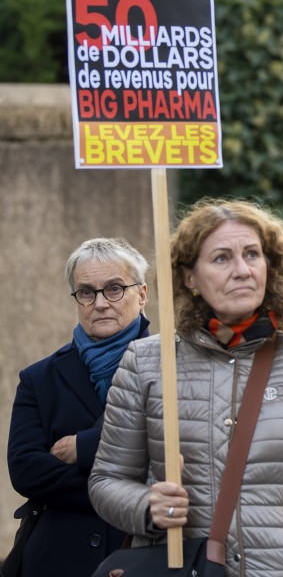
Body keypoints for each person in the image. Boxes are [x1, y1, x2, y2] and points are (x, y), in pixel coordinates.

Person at [88, 199, 283, 577]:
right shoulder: (145, 361)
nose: (242, 270)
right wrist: (146, 507)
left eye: (252, 254)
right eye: (221, 258)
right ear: (190, 277)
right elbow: (106, 481)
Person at [6, 238, 149, 576]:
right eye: (87, 292)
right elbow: (27, 470)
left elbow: (178, 454)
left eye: (114, 289)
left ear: (141, 294)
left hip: (142, 556)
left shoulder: (173, 368)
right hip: (57, 558)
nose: (100, 303)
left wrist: (82, 449)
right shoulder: (40, 378)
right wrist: (126, 488)